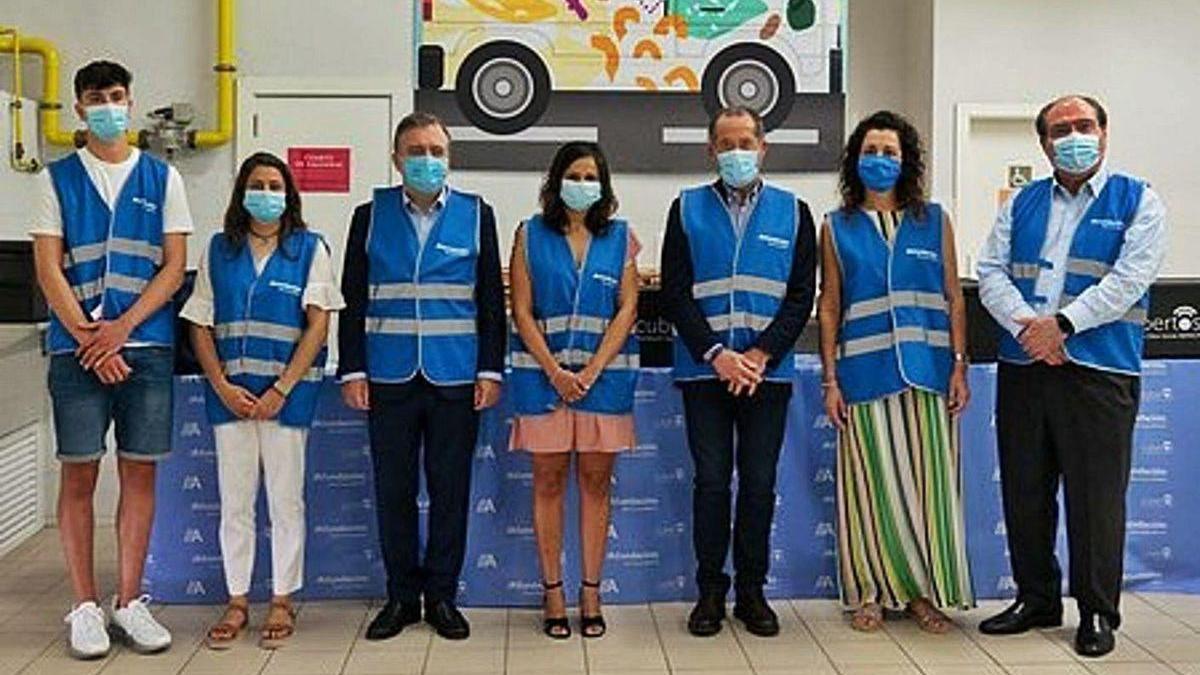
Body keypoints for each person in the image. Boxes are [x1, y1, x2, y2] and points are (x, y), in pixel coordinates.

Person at [976, 95, 1167, 657]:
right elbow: (990, 270)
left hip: (1099, 370)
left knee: (1096, 498)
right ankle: (1036, 599)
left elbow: (1130, 278)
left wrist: (1062, 325)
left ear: (1105, 133)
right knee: (1026, 491)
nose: (1073, 135)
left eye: (1084, 125)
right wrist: (1028, 330)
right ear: (1044, 144)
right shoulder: (1022, 204)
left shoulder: (1139, 200)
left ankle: (1097, 612)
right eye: (1061, 129)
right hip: (1026, 366)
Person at [29, 60, 189, 659]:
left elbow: (172, 266)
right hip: (77, 353)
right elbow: (48, 266)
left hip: (143, 347)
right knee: (79, 473)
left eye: (117, 96)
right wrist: (89, 337)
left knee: (140, 471)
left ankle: (129, 601)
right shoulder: (56, 179)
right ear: (78, 108)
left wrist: (119, 330)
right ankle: (84, 606)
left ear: (130, 102)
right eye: (96, 98)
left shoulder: (161, 178)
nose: (108, 106)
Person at [338, 111, 506, 641]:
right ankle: (401, 597)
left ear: (449, 158)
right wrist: (352, 368)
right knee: (394, 491)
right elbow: (352, 298)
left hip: (456, 376)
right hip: (387, 376)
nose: (427, 161)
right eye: (416, 151)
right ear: (396, 158)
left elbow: (489, 304)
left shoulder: (478, 216)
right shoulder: (369, 216)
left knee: (451, 491)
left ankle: (442, 597)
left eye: (436, 151)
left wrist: (490, 369)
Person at [660, 106, 817, 638]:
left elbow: (800, 298)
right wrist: (717, 355)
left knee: (757, 483)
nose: (736, 153)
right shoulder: (685, 209)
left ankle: (752, 591)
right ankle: (710, 591)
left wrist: (759, 356)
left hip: (765, 375)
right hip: (705, 373)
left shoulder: (794, 213)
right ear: (711, 151)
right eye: (725, 144)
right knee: (709, 483)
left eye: (745, 142)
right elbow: (676, 295)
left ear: (763, 147)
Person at [817, 111, 974, 634]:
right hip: (863, 376)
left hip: (928, 375)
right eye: (870, 151)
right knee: (870, 488)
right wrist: (830, 379)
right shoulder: (836, 226)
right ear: (854, 160)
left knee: (928, 490)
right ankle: (870, 592)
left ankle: (923, 594)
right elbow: (831, 305)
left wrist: (959, 366)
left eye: (889, 152)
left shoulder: (934, 220)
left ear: (906, 160)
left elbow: (954, 298)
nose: (879, 160)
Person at [181, 152, 344, 649]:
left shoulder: (309, 249)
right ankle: (236, 601)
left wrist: (281, 389)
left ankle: (281, 599)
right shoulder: (218, 250)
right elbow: (199, 323)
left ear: (289, 194)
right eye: (258, 184)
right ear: (242, 193)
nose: (267, 193)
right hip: (230, 397)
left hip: (285, 399)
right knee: (235, 504)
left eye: (276, 185)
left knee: (285, 501)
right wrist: (221, 385)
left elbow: (318, 325)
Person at [508, 142, 640, 639]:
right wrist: (558, 371)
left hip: (603, 384)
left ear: (604, 186)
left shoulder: (623, 238)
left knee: (595, 484)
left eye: (592, 176)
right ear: (556, 180)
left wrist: (590, 370)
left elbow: (628, 309)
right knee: (547, 483)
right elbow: (520, 310)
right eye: (574, 174)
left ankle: (591, 591)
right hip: (543, 382)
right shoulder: (529, 234)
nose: (582, 184)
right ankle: (552, 592)